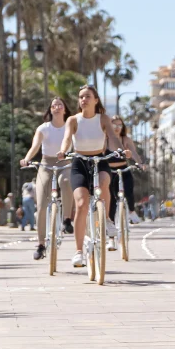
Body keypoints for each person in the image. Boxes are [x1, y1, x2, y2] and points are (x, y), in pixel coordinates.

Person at [57, 85, 123, 268]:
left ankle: (107, 220)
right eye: (81, 97)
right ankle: (79, 252)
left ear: (96, 100)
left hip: (99, 160)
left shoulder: (103, 118)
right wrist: (63, 151)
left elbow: (112, 137)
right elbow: (67, 138)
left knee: (104, 182)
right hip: (79, 162)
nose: (83, 100)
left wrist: (120, 150)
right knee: (81, 204)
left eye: (87, 96)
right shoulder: (73, 120)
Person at [21, 97, 75, 260]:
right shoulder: (43, 128)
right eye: (54, 105)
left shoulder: (70, 126)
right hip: (45, 164)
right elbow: (35, 146)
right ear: (50, 110)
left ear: (64, 110)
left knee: (66, 182)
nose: (57, 107)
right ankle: (40, 244)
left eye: (60, 105)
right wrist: (27, 159)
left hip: (65, 163)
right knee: (41, 206)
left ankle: (66, 219)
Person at [106, 115, 144, 226]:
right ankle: (111, 223)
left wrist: (140, 163)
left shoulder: (125, 139)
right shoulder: (105, 140)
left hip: (123, 169)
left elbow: (134, 153)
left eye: (119, 125)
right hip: (110, 171)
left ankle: (132, 211)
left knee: (129, 191)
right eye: (114, 125)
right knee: (111, 198)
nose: (117, 128)